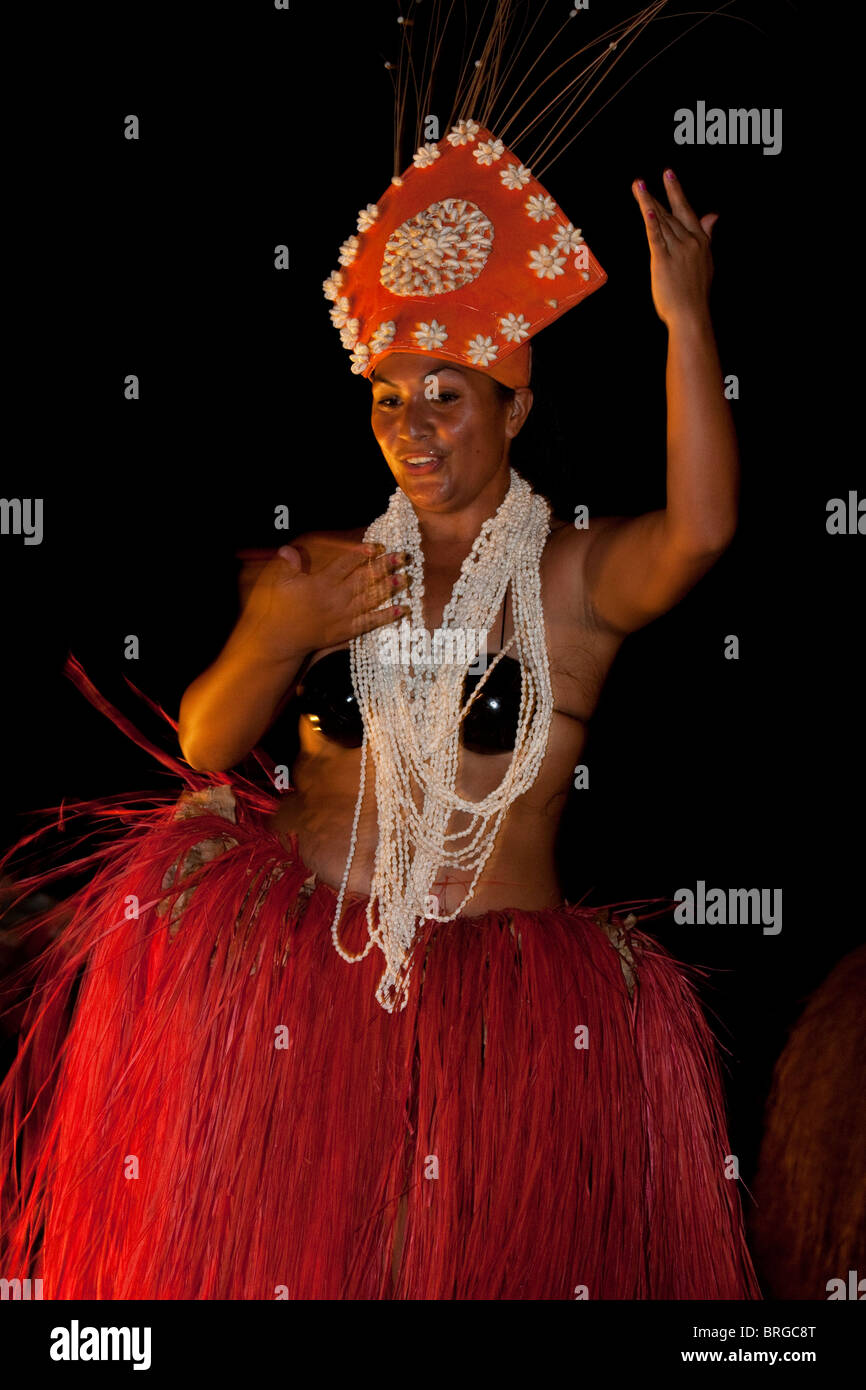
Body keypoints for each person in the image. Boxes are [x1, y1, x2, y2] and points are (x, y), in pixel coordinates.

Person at [0, 84, 760, 1298]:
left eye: (446, 396)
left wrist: (684, 321)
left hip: (495, 1025)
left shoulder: (567, 581)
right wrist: (274, 631)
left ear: (515, 405)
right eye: (387, 397)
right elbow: (208, 738)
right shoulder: (328, 566)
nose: (412, 426)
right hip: (294, 971)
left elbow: (703, 532)